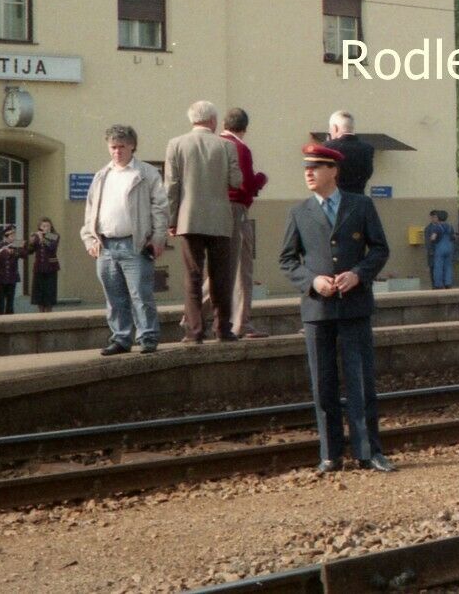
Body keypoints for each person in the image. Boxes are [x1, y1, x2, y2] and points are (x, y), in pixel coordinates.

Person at [280, 143, 393, 473]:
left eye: (315, 167)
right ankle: (330, 454)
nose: (309, 173)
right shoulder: (299, 212)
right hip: (317, 310)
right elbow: (287, 260)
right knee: (323, 383)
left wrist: (358, 274)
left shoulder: (361, 205)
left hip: (354, 306)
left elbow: (380, 249)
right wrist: (312, 282)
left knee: (360, 381)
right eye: (306, 168)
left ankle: (368, 451)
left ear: (334, 170)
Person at [81, 124, 169, 355]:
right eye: (113, 147)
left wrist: (158, 238)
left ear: (132, 146)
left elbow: (160, 208)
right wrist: (90, 239)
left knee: (141, 294)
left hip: (135, 244)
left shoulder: (146, 173)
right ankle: (120, 338)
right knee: (114, 297)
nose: (117, 151)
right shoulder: (102, 176)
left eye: (121, 146)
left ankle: (147, 337)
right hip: (106, 246)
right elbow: (91, 211)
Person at [165, 100, 243, 344]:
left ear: (192, 120)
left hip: (189, 219)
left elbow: (171, 187)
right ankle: (224, 329)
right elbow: (236, 181)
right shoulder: (226, 146)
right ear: (212, 121)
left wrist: (171, 219)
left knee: (193, 277)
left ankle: (195, 331)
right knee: (221, 276)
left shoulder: (176, 144)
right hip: (220, 220)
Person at [213, 108, 269, 339]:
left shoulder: (213, 145)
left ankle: (192, 315)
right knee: (241, 269)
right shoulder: (240, 148)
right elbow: (245, 185)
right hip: (236, 211)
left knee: (214, 269)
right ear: (244, 128)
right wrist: (261, 179)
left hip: (212, 212)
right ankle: (241, 323)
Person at [324, 111, 375, 196]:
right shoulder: (367, 148)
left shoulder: (327, 147)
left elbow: (323, 176)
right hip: (359, 199)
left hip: (335, 200)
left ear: (335, 128)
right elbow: (368, 173)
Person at [26, 218, 62, 313]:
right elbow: (29, 251)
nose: (45, 228)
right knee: (39, 294)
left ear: (50, 227)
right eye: (43, 226)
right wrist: (31, 242)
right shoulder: (37, 237)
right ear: (40, 227)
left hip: (50, 268)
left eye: (47, 226)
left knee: (49, 293)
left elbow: (52, 247)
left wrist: (42, 238)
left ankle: (49, 313)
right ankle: (40, 313)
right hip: (39, 268)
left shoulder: (54, 236)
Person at [0, 227, 22, 315]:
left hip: (12, 277)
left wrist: (14, 252)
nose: (14, 237)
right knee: (0, 300)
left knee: (10, 300)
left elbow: (23, 253)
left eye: (14, 235)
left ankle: (9, 319)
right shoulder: (0, 246)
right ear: (6, 237)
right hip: (1, 277)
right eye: (11, 235)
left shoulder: (17, 244)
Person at [423, 209, 454, 289]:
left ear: (439, 218)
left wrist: (432, 241)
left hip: (440, 248)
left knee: (438, 266)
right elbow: (453, 237)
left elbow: (433, 238)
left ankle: (438, 284)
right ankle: (448, 282)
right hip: (449, 247)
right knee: (448, 266)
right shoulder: (450, 226)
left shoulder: (437, 227)